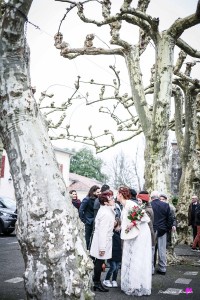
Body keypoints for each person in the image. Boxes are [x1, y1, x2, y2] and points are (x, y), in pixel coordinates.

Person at [118, 186, 152, 296]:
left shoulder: (130, 204)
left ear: (120, 195)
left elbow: (145, 218)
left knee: (136, 258)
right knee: (130, 258)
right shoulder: (125, 205)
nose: (116, 196)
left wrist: (132, 224)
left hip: (140, 234)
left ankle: (136, 285)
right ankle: (131, 283)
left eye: (117, 194)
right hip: (132, 234)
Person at [90, 190, 116, 292]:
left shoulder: (106, 210)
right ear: (105, 202)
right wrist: (102, 247)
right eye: (111, 198)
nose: (113, 200)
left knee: (99, 262)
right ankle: (96, 283)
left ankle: (96, 282)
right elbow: (103, 232)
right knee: (99, 262)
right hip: (102, 241)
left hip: (103, 240)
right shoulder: (106, 213)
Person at [151, 191, 173, 275]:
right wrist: (167, 228)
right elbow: (169, 218)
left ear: (151, 197)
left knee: (151, 250)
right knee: (162, 250)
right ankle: (162, 268)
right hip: (162, 230)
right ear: (158, 196)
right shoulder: (165, 205)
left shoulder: (149, 205)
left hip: (152, 229)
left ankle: (151, 268)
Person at [137, 191, 155, 275]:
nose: (138, 202)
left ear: (144, 201)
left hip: (147, 235)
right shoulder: (147, 209)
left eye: (139, 201)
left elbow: (144, 224)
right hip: (148, 234)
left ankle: (149, 271)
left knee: (148, 254)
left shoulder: (146, 211)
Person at [79, 185, 101, 250]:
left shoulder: (98, 200)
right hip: (89, 222)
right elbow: (81, 210)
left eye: (100, 192)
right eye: (98, 192)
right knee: (88, 239)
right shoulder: (87, 199)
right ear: (93, 192)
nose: (99, 193)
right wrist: (84, 220)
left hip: (95, 222)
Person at [103, 218, 122, 288]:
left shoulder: (120, 233)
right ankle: (106, 279)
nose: (119, 228)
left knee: (116, 268)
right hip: (112, 253)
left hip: (118, 253)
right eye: (118, 226)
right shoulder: (112, 233)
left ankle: (114, 280)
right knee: (113, 267)